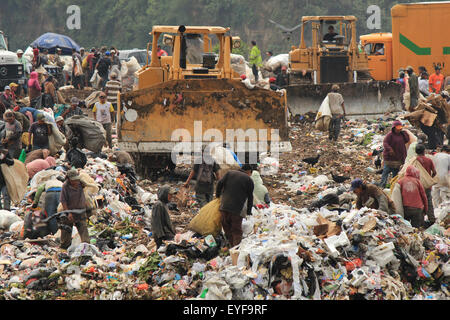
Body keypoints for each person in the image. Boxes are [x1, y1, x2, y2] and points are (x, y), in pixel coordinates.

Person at [216, 164, 254, 247]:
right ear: (249, 172)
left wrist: (217, 196)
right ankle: (235, 249)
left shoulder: (229, 173)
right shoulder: (249, 180)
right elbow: (250, 198)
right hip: (237, 210)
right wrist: (248, 212)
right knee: (236, 230)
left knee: (226, 226)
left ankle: (230, 246)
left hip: (224, 206)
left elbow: (219, 183)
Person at [59, 169, 90, 249]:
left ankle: (86, 247)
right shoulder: (65, 186)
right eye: (73, 180)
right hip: (70, 211)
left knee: (83, 229)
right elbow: (63, 201)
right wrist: (68, 213)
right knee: (66, 232)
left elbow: (87, 185)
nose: (75, 182)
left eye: (77, 180)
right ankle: (65, 248)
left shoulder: (80, 184)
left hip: (80, 211)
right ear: (68, 179)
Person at [379, 120, 410, 188]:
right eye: (397, 129)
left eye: (400, 129)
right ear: (394, 128)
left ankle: (393, 187)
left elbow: (407, 140)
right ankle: (382, 185)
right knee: (385, 172)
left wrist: (404, 132)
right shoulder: (390, 135)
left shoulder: (402, 134)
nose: (399, 130)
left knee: (395, 174)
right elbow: (385, 143)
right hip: (390, 158)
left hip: (398, 157)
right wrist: (390, 149)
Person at [415, 144, 437, 226]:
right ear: (424, 151)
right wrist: (429, 179)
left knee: (419, 202)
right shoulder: (429, 160)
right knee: (428, 202)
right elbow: (434, 172)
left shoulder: (414, 160)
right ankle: (431, 219)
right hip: (427, 186)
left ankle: (420, 221)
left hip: (417, 185)